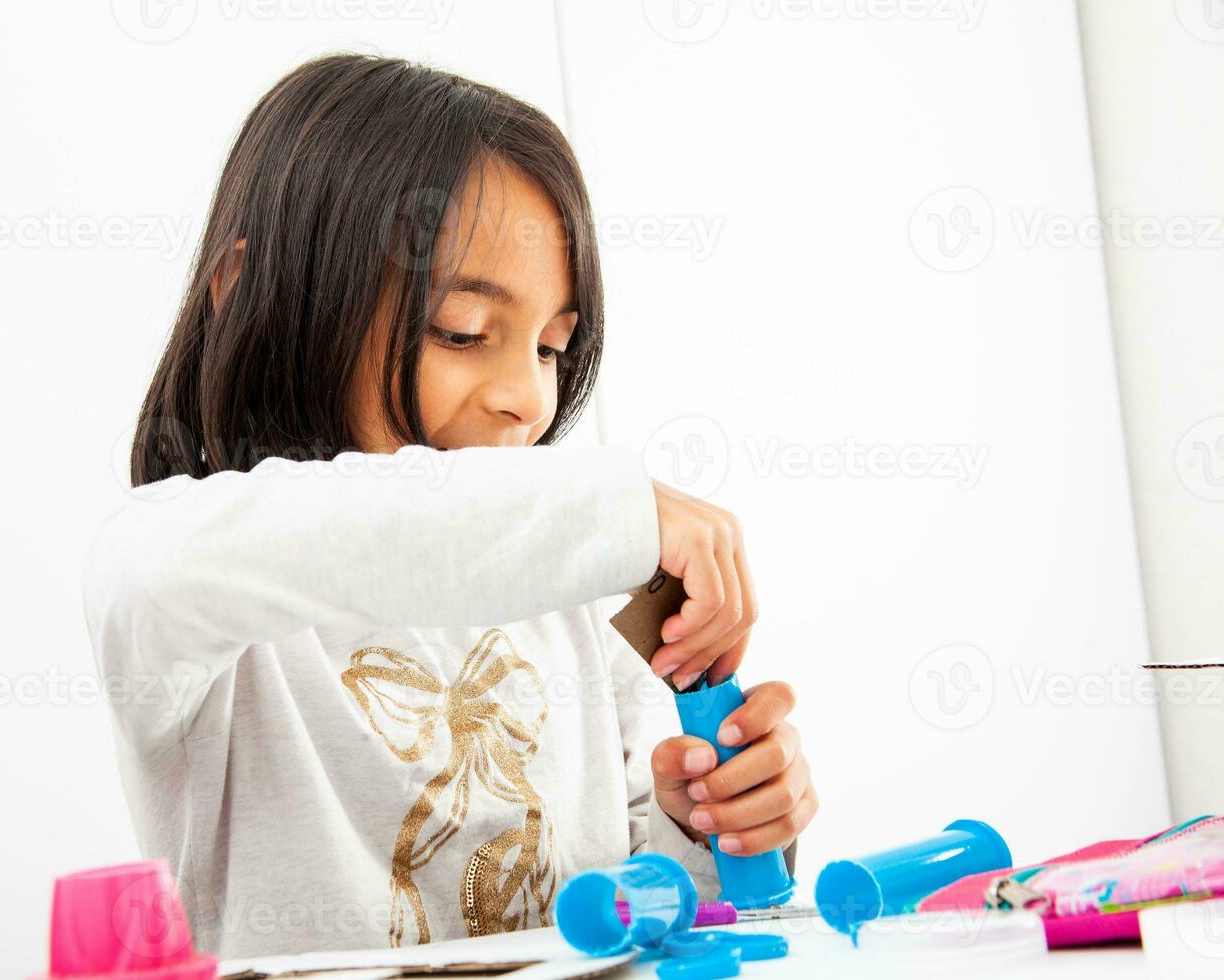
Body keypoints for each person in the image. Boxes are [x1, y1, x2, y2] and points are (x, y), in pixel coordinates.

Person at [84, 52, 816, 959]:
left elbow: (644, 905)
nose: (530, 399)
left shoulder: (576, 614)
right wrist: (612, 511)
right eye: (462, 331)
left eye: (551, 348)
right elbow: (328, 540)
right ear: (251, 299)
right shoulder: (187, 577)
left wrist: (710, 831)